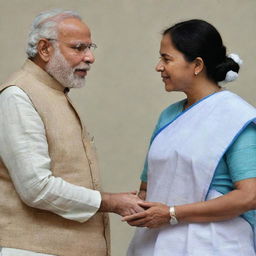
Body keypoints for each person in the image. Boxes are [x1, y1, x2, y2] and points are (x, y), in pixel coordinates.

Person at [0, 9, 144, 256]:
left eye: (90, 47)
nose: (90, 58)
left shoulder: (53, 91)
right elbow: (36, 187)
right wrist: (110, 201)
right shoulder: (18, 96)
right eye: (79, 48)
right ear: (45, 49)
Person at [123, 19, 256, 256]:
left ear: (196, 65)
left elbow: (250, 196)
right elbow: (148, 188)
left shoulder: (236, 117)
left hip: (214, 244)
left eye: (166, 58)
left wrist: (173, 213)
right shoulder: (169, 116)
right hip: (156, 244)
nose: (158, 67)